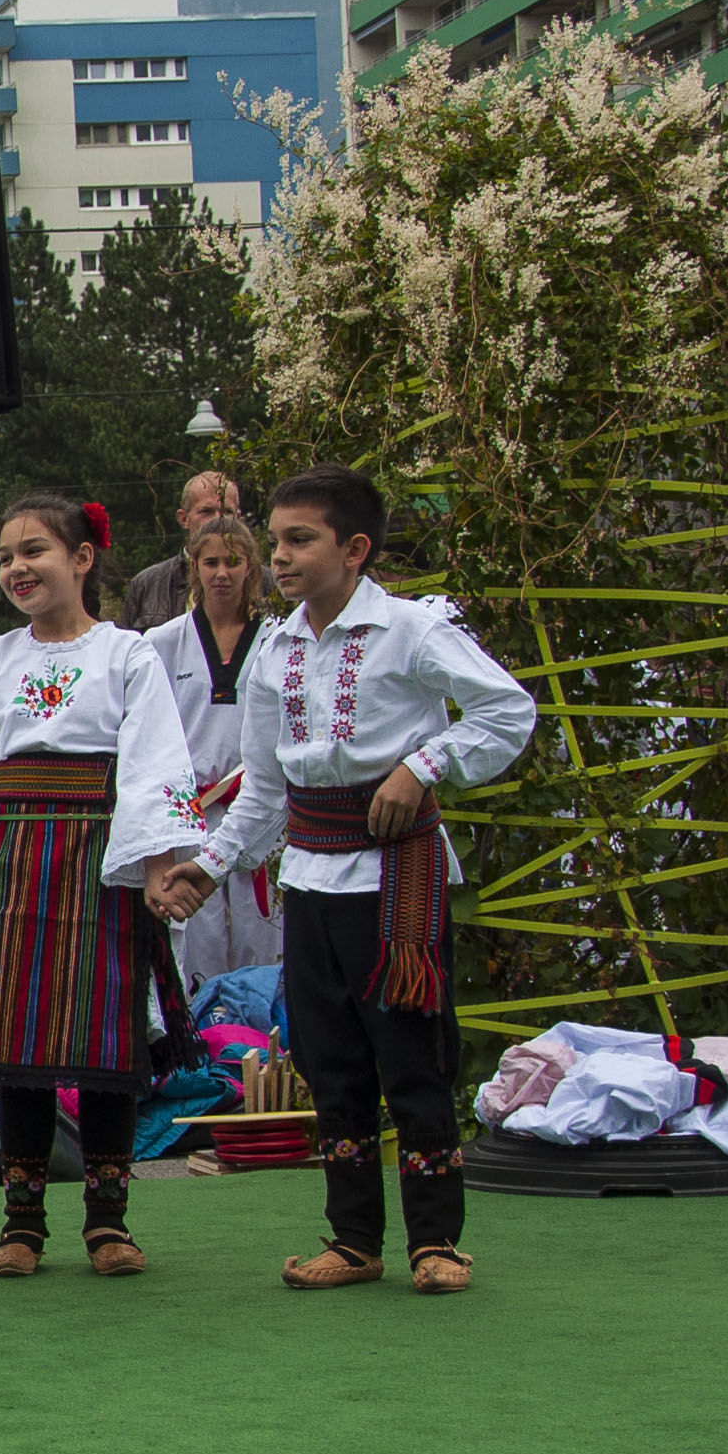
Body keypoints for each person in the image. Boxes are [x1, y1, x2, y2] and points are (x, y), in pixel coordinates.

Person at [162, 466, 540, 1296]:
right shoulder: (276, 645)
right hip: (310, 873)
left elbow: (508, 710)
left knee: (412, 1059)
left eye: (301, 540)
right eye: (277, 541)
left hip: (396, 872)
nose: (281, 557)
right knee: (329, 1063)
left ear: (355, 548)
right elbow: (262, 789)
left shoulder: (412, 629)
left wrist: (425, 764)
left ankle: (436, 1240)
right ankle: (355, 1238)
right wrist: (207, 866)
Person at [0, 495, 202, 1281]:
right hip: (11, 857)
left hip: (103, 858)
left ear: (82, 558)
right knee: (20, 1046)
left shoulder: (128, 655)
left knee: (106, 1040)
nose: (17, 568)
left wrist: (157, 865)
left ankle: (108, 1221)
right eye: (5, 557)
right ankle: (21, 1222)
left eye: (34, 550)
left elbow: (154, 762)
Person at [149, 515, 281, 984]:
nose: (221, 573)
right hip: (190, 810)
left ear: (252, 568)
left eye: (233, 561)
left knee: (263, 935)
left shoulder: (278, 640)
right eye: (211, 562)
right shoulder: (161, 643)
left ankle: (266, 1044)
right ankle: (201, 1039)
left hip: (258, 807)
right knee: (195, 937)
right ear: (194, 567)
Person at [118, 471, 245, 628]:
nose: (217, 520)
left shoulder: (263, 583)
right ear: (184, 519)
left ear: (238, 519)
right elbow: (125, 650)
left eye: (226, 512)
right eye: (206, 511)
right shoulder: (147, 585)